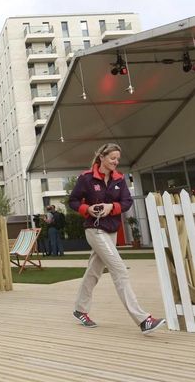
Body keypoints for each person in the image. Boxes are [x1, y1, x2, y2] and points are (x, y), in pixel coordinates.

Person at [69, 142, 166, 335]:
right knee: (119, 270)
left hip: (111, 231)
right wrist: (86, 209)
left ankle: (80, 309)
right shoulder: (86, 179)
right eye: (112, 158)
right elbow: (72, 201)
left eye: (117, 159)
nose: (116, 161)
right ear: (102, 157)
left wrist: (111, 207)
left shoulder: (120, 180)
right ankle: (142, 319)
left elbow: (127, 202)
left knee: (94, 271)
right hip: (94, 230)